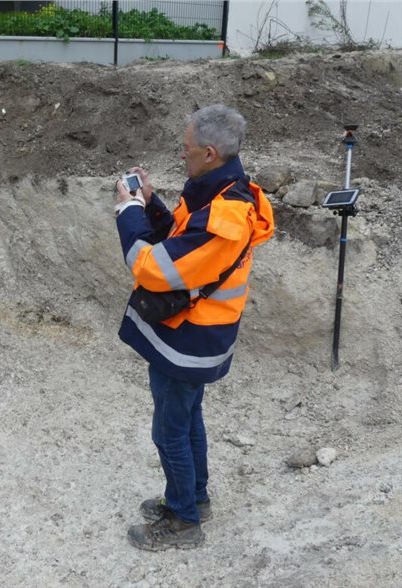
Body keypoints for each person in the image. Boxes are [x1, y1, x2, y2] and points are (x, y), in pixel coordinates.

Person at [113, 104, 275, 551]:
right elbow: (180, 235)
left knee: (169, 430)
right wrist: (150, 203)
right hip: (198, 335)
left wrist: (127, 212)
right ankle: (193, 498)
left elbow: (153, 267)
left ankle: (184, 521)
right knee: (187, 420)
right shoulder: (219, 190)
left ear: (208, 153)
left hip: (190, 340)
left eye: (185, 150)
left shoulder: (224, 216)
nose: (180, 157)